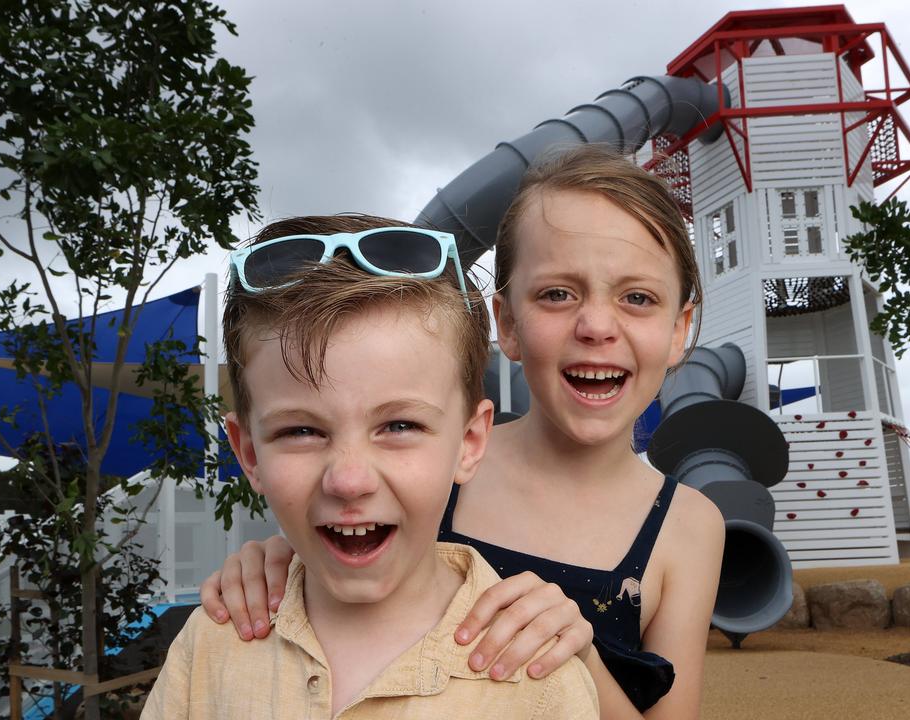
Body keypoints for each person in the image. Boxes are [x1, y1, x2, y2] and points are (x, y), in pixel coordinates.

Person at [200, 146, 726, 718]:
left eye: (637, 298)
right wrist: (275, 566)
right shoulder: (431, 458)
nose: (596, 325)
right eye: (557, 293)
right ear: (507, 323)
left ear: (680, 331)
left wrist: (578, 659)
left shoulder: (689, 526)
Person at [143, 216, 599, 719]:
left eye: (399, 426)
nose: (349, 479)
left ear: (469, 442)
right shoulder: (208, 648)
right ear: (249, 453)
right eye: (301, 431)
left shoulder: (544, 684)